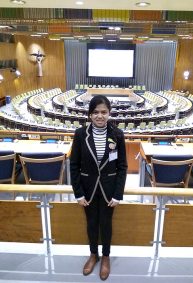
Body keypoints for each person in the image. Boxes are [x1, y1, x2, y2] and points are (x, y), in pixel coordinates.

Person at [70, 95, 127, 280]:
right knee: (92, 223)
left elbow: (122, 166)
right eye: (95, 112)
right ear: (89, 114)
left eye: (104, 112)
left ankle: (106, 257)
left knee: (106, 224)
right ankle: (93, 254)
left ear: (109, 113)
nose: (100, 116)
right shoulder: (80, 134)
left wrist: (118, 194)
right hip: (88, 189)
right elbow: (74, 165)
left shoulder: (117, 135)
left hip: (109, 189)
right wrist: (78, 193)